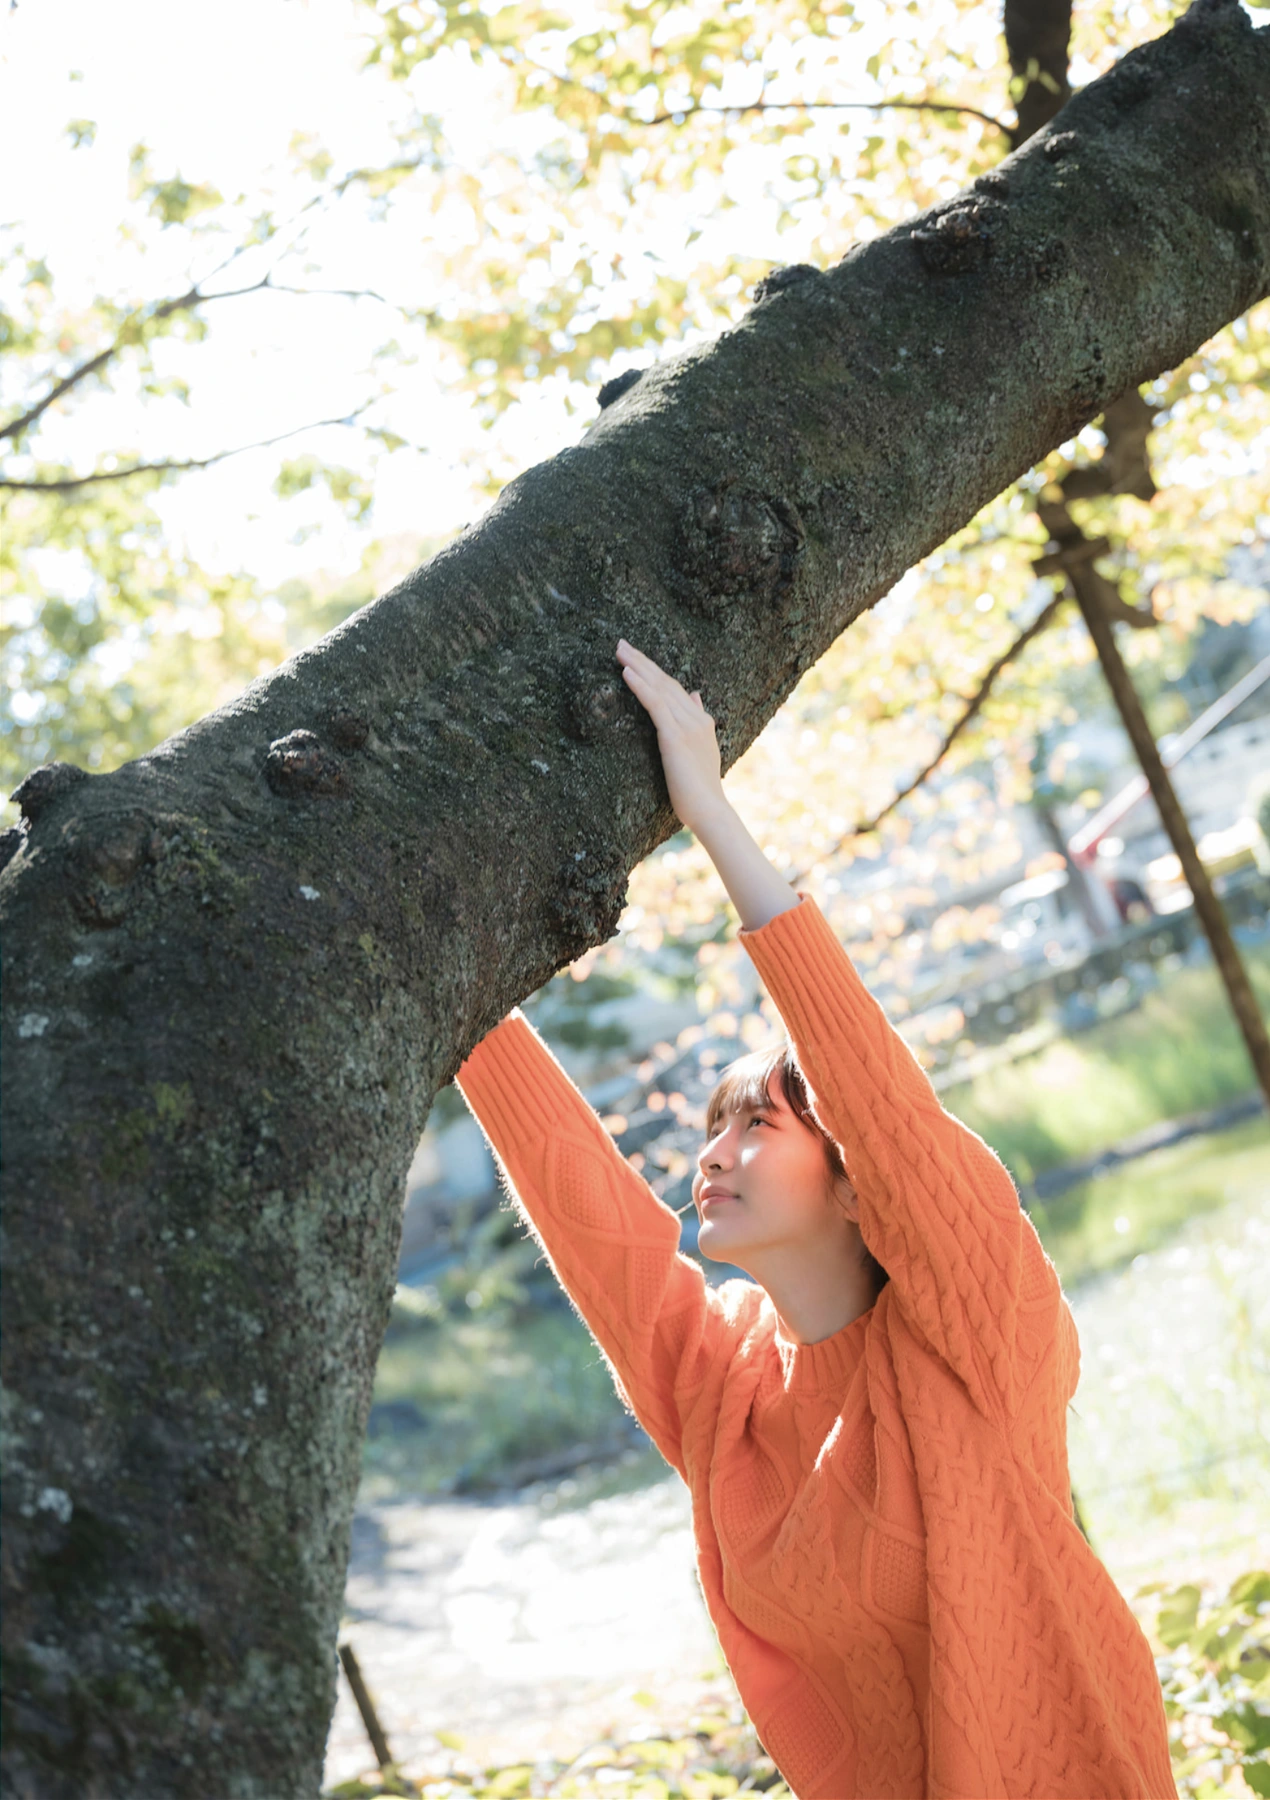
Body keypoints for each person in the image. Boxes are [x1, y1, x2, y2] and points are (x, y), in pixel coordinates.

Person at [456, 641, 1176, 1800]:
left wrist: (707, 811)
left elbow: (887, 1112)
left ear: (852, 1183)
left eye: (758, 1127)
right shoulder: (724, 1391)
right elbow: (593, 1231)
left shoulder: (978, 1341)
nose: (713, 1155)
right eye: (714, 1129)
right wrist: (444, 970)